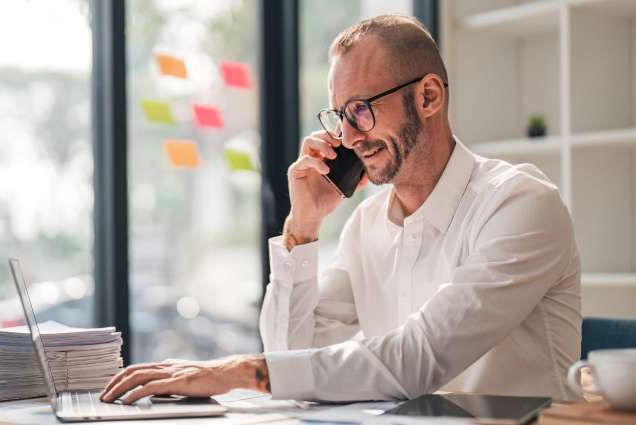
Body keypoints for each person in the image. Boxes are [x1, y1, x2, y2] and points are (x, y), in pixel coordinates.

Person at [100, 15, 581, 405]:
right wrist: (303, 227)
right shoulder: (368, 225)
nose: (348, 137)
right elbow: (291, 354)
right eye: (339, 116)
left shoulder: (519, 204)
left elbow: (417, 360)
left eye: (361, 110)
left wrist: (235, 372)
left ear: (428, 96)